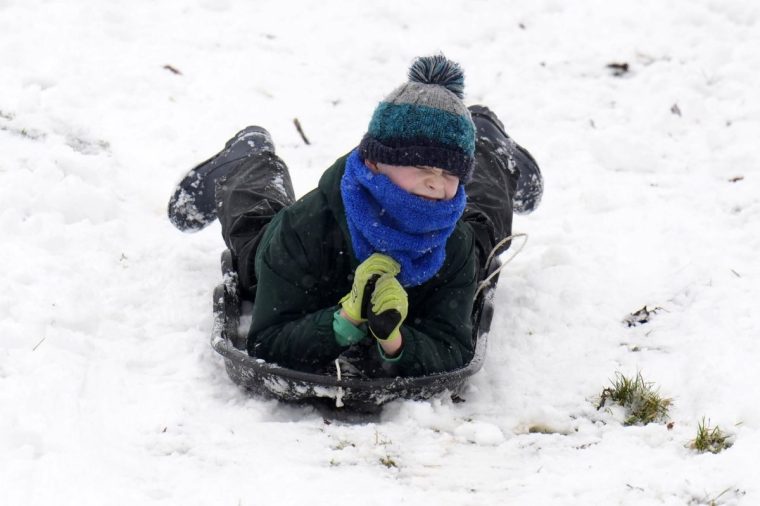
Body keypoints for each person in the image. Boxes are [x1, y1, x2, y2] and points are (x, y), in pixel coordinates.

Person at [168, 55, 543, 378]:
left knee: (480, 242)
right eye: (421, 166)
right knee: (254, 247)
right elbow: (269, 339)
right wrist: (344, 321)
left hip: (449, 245)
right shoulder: (304, 229)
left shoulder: (454, 243)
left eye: (450, 172)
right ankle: (247, 160)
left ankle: (489, 148)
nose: (434, 182)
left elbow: (451, 345)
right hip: (298, 256)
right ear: (374, 162)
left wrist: (395, 340)